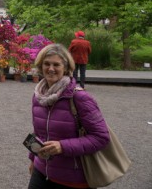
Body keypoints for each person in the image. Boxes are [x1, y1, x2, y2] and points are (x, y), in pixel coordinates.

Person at [28, 44, 110, 189]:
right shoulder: (38, 96)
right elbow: (38, 133)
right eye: (46, 64)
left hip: (72, 179)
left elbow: (101, 137)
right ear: (40, 66)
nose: (51, 68)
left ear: (66, 68)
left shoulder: (80, 98)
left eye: (56, 64)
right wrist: (33, 160)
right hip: (41, 172)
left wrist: (62, 146)